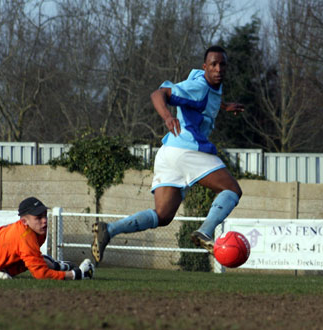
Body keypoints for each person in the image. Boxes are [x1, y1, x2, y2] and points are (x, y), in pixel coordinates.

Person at [92, 45, 244, 263]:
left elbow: (203, 102)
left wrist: (224, 105)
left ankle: (109, 230)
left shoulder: (209, 87)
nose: (218, 68)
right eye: (213, 64)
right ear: (205, 67)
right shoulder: (199, 87)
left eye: (222, 64)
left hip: (168, 153)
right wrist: (167, 117)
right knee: (232, 189)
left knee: (162, 215)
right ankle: (206, 231)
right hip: (188, 149)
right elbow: (158, 94)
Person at [0, 197, 94, 280]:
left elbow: (34, 260)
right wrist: (77, 275)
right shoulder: (26, 237)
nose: (44, 220)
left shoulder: (35, 228)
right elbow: (41, 274)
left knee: (36, 260)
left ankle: (60, 265)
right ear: (24, 221)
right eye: (38, 217)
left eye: (44, 215)